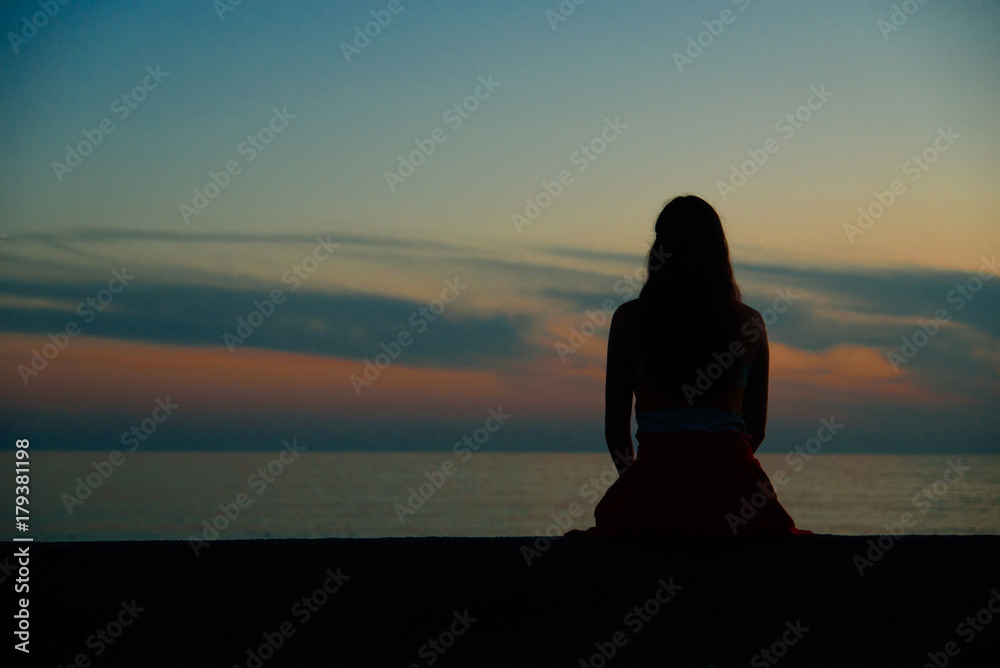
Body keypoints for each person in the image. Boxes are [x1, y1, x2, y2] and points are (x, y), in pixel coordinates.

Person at [567, 195, 811, 539]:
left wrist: (643, 481)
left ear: (660, 249)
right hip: (735, 487)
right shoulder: (750, 323)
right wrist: (715, 469)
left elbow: (615, 430)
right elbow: (756, 426)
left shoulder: (628, 320)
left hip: (657, 482)